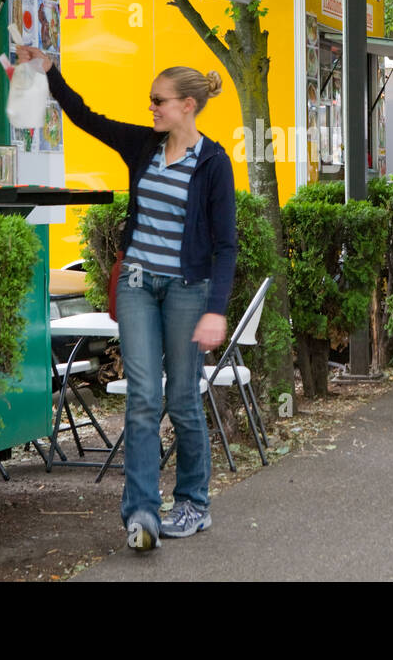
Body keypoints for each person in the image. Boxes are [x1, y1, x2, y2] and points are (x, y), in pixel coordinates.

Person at [16, 44, 237, 551]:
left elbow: (226, 246)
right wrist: (51, 72)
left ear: (188, 105)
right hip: (137, 285)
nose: (152, 108)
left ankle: (193, 503)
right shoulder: (143, 146)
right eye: (151, 100)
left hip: (187, 291)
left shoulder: (213, 164)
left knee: (182, 397)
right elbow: (86, 117)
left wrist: (215, 310)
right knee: (142, 398)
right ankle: (141, 513)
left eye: (159, 100)